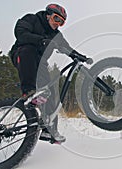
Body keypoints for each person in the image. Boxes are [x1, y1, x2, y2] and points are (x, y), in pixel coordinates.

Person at [10, 4, 87, 144]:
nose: (57, 24)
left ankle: (48, 130)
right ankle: (28, 91)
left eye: (61, 22)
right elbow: (20, 32)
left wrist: (80, 56)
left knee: (50, 93)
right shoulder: (32, 19)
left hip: (40, 64)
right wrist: (40, 40)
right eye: (56, 18)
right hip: (22, 53)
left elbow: (66, 48)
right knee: (29, 50)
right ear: (48, 15)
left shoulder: (55, 34)